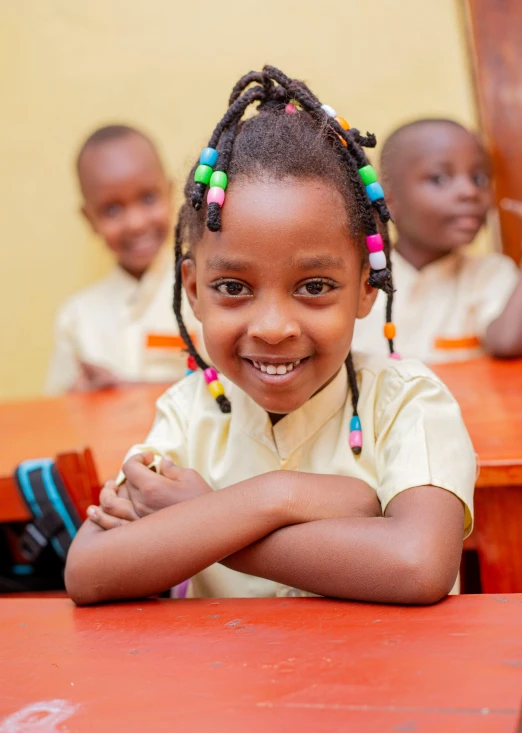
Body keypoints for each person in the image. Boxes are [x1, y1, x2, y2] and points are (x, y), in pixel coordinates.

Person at [65, 66, 475, 607]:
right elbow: (90, 570)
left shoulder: (405, 402)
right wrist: (284, 502)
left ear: (366, 290)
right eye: (234, 286)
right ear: (193, 289)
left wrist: (208, 516)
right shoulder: (189, 413)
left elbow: (416, 563)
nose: (274, 327)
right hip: (232, 690)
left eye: (315, 286)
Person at [45, 125, 201, 394]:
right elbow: (58, 411)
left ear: (169, 192)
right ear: (89, 219)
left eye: (148, 198)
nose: (136, 223)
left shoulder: (203, 293)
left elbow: (230, 390)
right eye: (112, 209)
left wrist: (126, 391)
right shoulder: (76, 318)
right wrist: (79, 397)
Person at [353, 118, 522, 363]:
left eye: (480, 179)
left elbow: (506, 341)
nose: (469, 192)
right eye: (439, 179)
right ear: (389, 201)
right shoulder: (360, 277)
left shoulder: (489, 273)